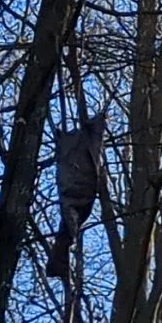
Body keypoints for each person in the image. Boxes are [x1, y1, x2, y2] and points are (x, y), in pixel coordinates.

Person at [48, 111, 106, 281]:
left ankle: (58, 264)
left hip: (76, 186)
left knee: (69, 223)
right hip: (77, 187)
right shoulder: (87, 141)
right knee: (69, 223)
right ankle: (59, 263)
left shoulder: (79, 143)